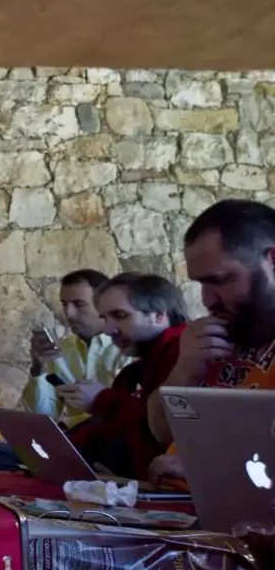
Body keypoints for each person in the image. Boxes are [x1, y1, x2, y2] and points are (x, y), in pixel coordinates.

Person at [148, 200, 275, 486]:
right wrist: (183, 371)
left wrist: (212, 469)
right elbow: (162, 432)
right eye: (201, 284)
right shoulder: (217, 333)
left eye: (220, 280)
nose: (207, 300)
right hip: (172, 504)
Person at [65, 273, 188, 481]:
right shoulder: (136, 370)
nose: (107, 330)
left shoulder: (184, 353)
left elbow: (166, 428)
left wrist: (102, 400)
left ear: (159, 315)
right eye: (104, 318)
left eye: (120, 316)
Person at [20, 269, 129, 430]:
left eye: (79, 304)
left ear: (104, 305)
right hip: (76, 440)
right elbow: (42, 418)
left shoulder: (128, 348)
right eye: (64, 304)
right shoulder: (62, 350)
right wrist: (38, 368)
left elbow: (135, 413)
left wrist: (69, 424)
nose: (69, 314)